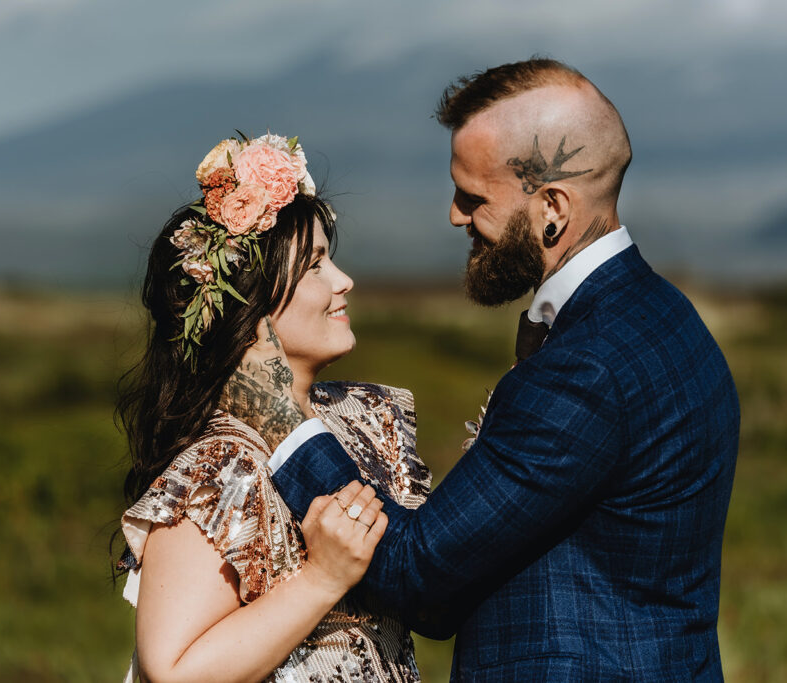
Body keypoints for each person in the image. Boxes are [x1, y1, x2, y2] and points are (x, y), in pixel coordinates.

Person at [236, 59, 741, 680]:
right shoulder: (664, 317)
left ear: (552, 206)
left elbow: (419, 575)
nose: (454, 215)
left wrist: (283, 417)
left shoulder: (584, 370)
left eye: (473, 197)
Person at [114, 132, 430, 682]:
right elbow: (175, 671)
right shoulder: (221, 465)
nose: (344, 281)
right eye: (315, 266)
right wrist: (320, 580)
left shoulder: (365, 415)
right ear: (248, 302)